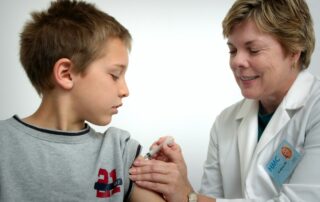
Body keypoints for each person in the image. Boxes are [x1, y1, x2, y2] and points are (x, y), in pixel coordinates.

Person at [129, 0, 320, 201]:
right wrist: (180, 184)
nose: (237, 61)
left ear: (293, 51)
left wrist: (188, 197)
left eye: (253, 50)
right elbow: (210, 199)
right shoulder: (226, 122)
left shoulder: (314, 109)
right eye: (232, 50)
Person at [0, 1, 165, 201]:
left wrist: (182, 190)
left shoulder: (120, 152)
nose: (125, 90)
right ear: (66, 74)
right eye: (114, 75)